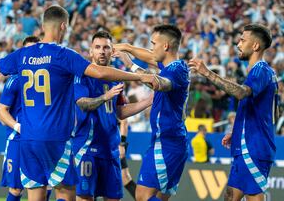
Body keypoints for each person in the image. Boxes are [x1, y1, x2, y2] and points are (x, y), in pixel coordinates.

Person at [0, 5, 158, 201]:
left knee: (35, 195)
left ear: (44, 26)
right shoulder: (64, 55)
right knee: (65, 192)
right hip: (56, 138)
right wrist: (139, 77)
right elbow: (99, 72)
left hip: (28, 139)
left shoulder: (23, 54)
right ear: (63, 26)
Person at [188, 24, 278, 201]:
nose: (238, 44)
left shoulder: (261, 69)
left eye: (243, 40)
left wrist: (208, 73)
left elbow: (241, 92)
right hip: (247, 142)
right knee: (231, 196)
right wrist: (236, 131)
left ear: (255, 46)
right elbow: (254, 107)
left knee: (253, 196)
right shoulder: (259, 72)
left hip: (254, 146)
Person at [73, 31, 153, 201]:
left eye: (106, 48)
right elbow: (82, 104)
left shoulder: (116, 79)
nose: (102, 51)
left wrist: (148, 101)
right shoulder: (83, 76)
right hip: (88, 150)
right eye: (97, 47)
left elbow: (120, 112)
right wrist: (104, 97)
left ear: (112, 51)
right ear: (91, 51)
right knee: (85, 198)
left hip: (111, 151)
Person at [115, 24, 190, 201]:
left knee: (142, 196)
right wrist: (127, 47)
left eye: (153, 43)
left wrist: (131, 66)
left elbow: (157, 83)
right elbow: (148, 56)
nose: (151, 48)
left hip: (166, 142)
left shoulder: (176, 70)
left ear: (165, 46)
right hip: (173, 140)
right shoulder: (172, 66)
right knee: (159, 197)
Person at [0, 36, 41, 201]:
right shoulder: (15, 79)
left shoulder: (48, 78)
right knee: (16, 188)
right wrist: (17, 127)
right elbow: (1, 110)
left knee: (42, 185)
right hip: (18, 139)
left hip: (41, 137)